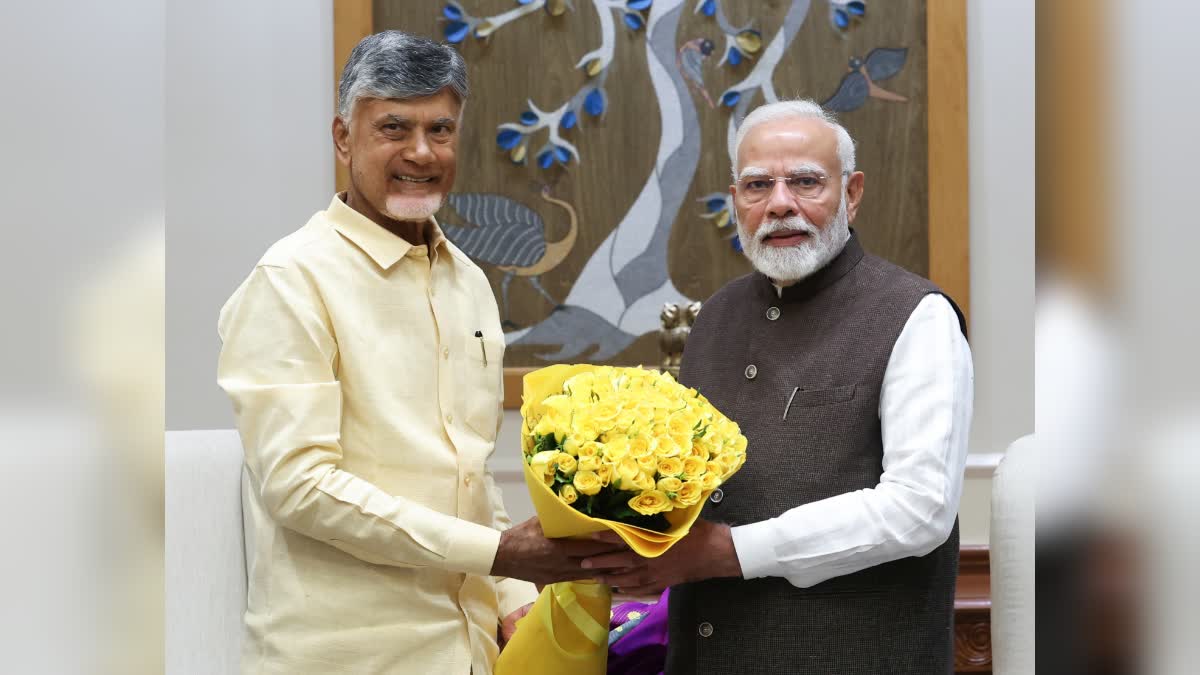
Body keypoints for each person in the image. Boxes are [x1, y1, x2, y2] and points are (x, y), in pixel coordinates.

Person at [217, 31, 625, 674]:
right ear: (343, 137)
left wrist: (514, 595)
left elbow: (469, 471)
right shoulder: (291, 281)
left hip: (467, 651)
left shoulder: (468, 280)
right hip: (345, 658)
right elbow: (299, 488)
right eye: (393, 128)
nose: (420, 152)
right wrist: (498, 553)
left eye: (440, 129)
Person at [584, 99, 974, 674]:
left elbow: (919, 510)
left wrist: (731, 553)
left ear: (853, 192)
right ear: (735, 199)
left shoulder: (917, 315)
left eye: (806, 182)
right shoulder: (714, 318)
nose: (780, 203)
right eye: (757, 185)